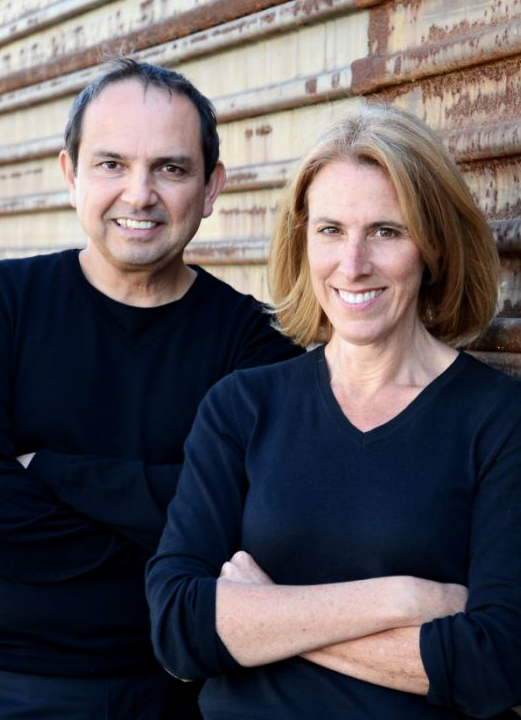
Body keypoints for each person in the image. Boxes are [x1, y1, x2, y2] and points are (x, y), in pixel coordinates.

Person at [146, 103, 521, 719]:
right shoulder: (242, 407)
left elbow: (496, 664)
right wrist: (402, 600)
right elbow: (180, 628)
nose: (352, 265)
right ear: (303, 241)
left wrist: (266, 615)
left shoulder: (497, 421)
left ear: (434, 247)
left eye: (386, 231)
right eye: (330, 230)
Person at [0, 58, 301, 720]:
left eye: (170, 168)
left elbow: (269, 520)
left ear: (211, 186)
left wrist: (49, 473)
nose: (139, 194)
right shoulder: (7, 305)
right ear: (70, 174)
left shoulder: (252, 348)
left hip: (184, 692)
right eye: (111, 164)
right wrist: (178, 534)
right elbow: (210, 531)